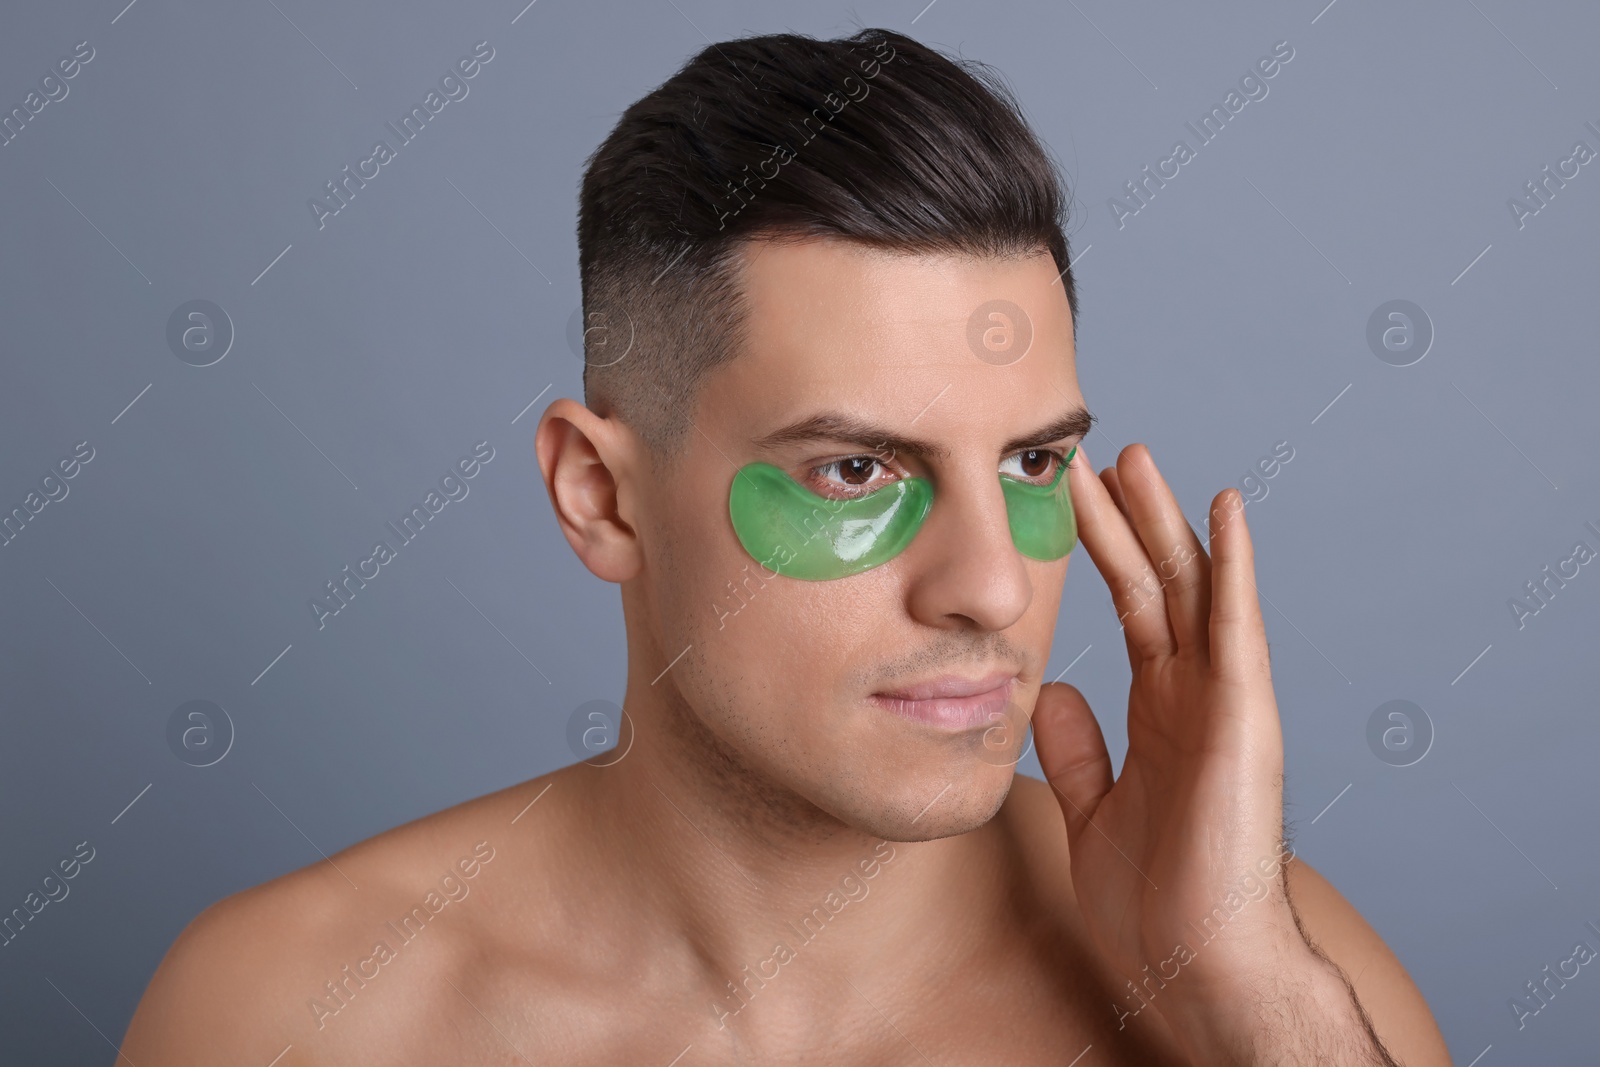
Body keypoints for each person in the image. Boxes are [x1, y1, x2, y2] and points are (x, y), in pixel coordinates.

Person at [123, 27, 1451, 1064]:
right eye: (858, 470)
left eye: (1033, 462)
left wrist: (1251, 1004)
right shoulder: (292, 1022)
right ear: (601, 496)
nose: (992, 585)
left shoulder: (1277, 983)